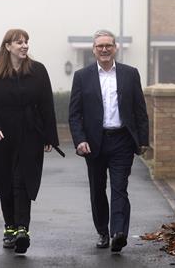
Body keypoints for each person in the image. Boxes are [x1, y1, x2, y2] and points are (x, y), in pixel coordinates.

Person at [0, 29, 60, 254]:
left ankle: (23, 229)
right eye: (19, 42)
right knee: (5, 182)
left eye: (26, 42)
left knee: (22, 181)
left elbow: (46, 105)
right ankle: (10, 228)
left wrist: (49, 137)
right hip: (2, 135)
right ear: (7, 46)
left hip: (30, 133)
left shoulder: (38, 70)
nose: (24, 46)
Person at [68, 29, 149, 253]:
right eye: (100, 46)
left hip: (122, 140)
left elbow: (140, 110)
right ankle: (103, 231)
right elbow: (74, 114)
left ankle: (119, 233)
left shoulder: (130, 74)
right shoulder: (82, 77)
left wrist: (143, 140)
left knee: (119, 188)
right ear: (93, 50)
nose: (104, 49)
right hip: (94, 142)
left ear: (115, 48)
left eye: (108, 45)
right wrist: (79, 140)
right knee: (97, 189)